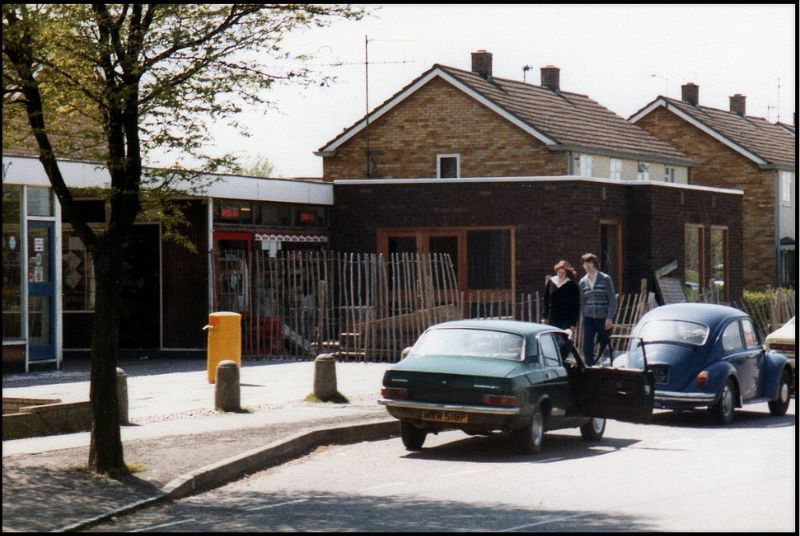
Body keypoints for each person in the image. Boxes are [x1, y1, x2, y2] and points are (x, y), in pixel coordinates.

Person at [578, 252, 617, 366]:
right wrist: (583, 317)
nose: (587, 266)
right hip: (589, 318)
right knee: (587, 346)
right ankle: (589, 368)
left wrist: (609, 317)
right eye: (585, 263)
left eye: (589, 263)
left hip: (603, 318)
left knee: (605, 345)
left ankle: (608, 367)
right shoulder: (583, 281)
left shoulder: (605, 279)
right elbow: (582, 301)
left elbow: (612, 299)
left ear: (594, 264)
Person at [541, 260, 580, 338]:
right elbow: (546, 300)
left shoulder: (572, 285)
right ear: (556, 271)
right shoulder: (551, 282)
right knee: (552, 340)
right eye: (559, 272)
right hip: (552, 317)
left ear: (567, 273)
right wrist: (544, 317)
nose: (560, 274)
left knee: (562, 341)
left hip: (566, 319)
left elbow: (575, 306)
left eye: (563, 273)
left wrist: (573, 323)